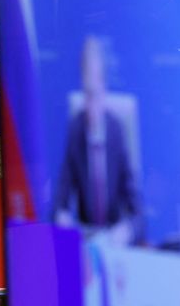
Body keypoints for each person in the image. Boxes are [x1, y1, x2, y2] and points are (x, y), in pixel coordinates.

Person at [54, 36, 140, 245]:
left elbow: (137, 212)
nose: (91, 104)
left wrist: (126, 231)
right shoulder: (77, 128)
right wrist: (62, 218)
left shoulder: (117, 131)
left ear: (104, 86)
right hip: (87, 239)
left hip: (114, 240)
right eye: (87, 94)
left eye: (95, 93)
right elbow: (61, 199)